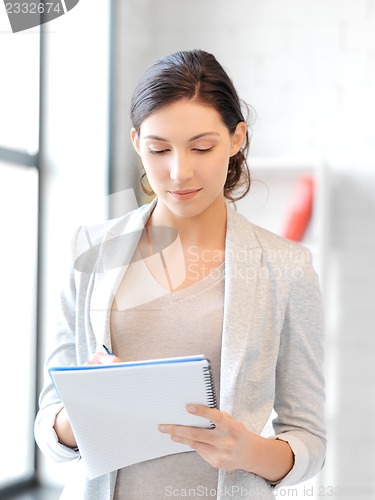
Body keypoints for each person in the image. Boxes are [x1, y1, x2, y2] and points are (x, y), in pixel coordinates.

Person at [35, 49, 326, 499]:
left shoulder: (286, 267)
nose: (178, 171)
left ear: (236, 139)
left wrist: (247, 451)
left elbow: (309, 440)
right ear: (137, 142)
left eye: (202, 147)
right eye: (159, 149)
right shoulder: (92, 251)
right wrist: (83, 413)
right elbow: (49, 425)